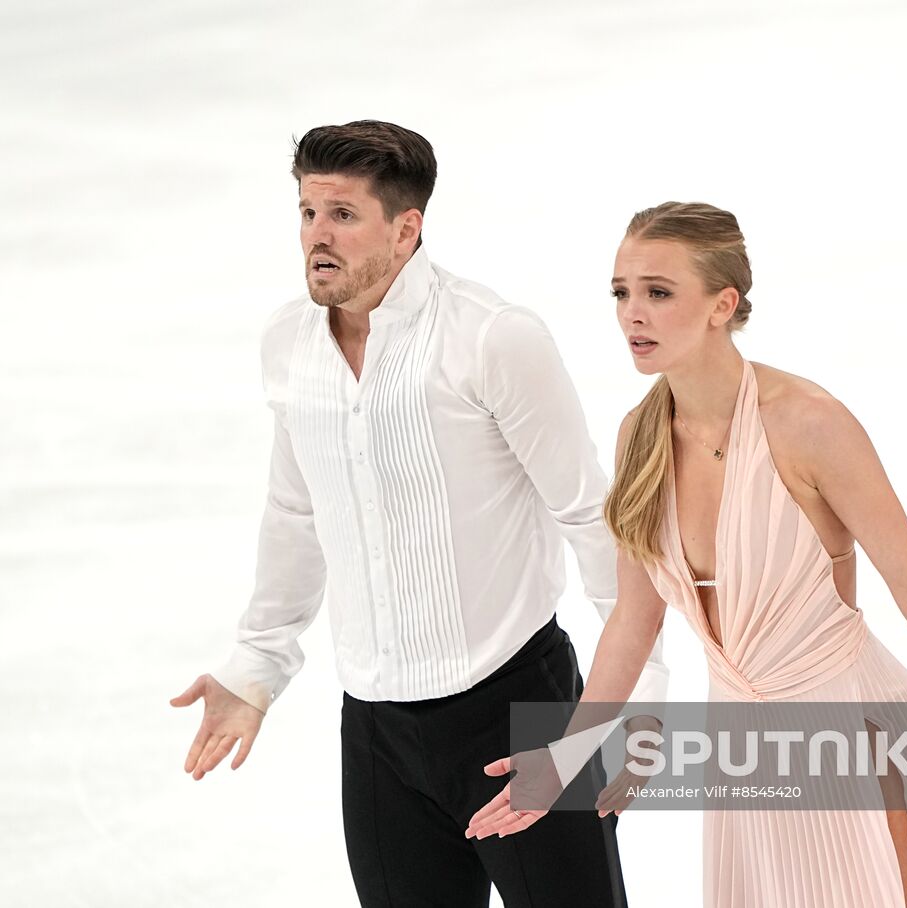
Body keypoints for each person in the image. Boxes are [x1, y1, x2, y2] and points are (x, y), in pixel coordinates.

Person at [465, 202, 907, 907]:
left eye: (659, 293)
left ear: (723, 304)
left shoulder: (809, 423)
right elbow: (634, 620)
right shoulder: (640, 436)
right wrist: (567, 755)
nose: (633, 314)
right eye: (621, 292)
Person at [168, 120, 668, 907]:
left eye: (342, 215)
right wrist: (258, 660)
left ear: (407, 228)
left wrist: (633, 706)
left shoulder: (494, 340)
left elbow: (589, 516)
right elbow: (296, 512)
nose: (316, 238)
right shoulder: (288, 346)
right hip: (376, 736)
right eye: (306, 213)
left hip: (518, 716)